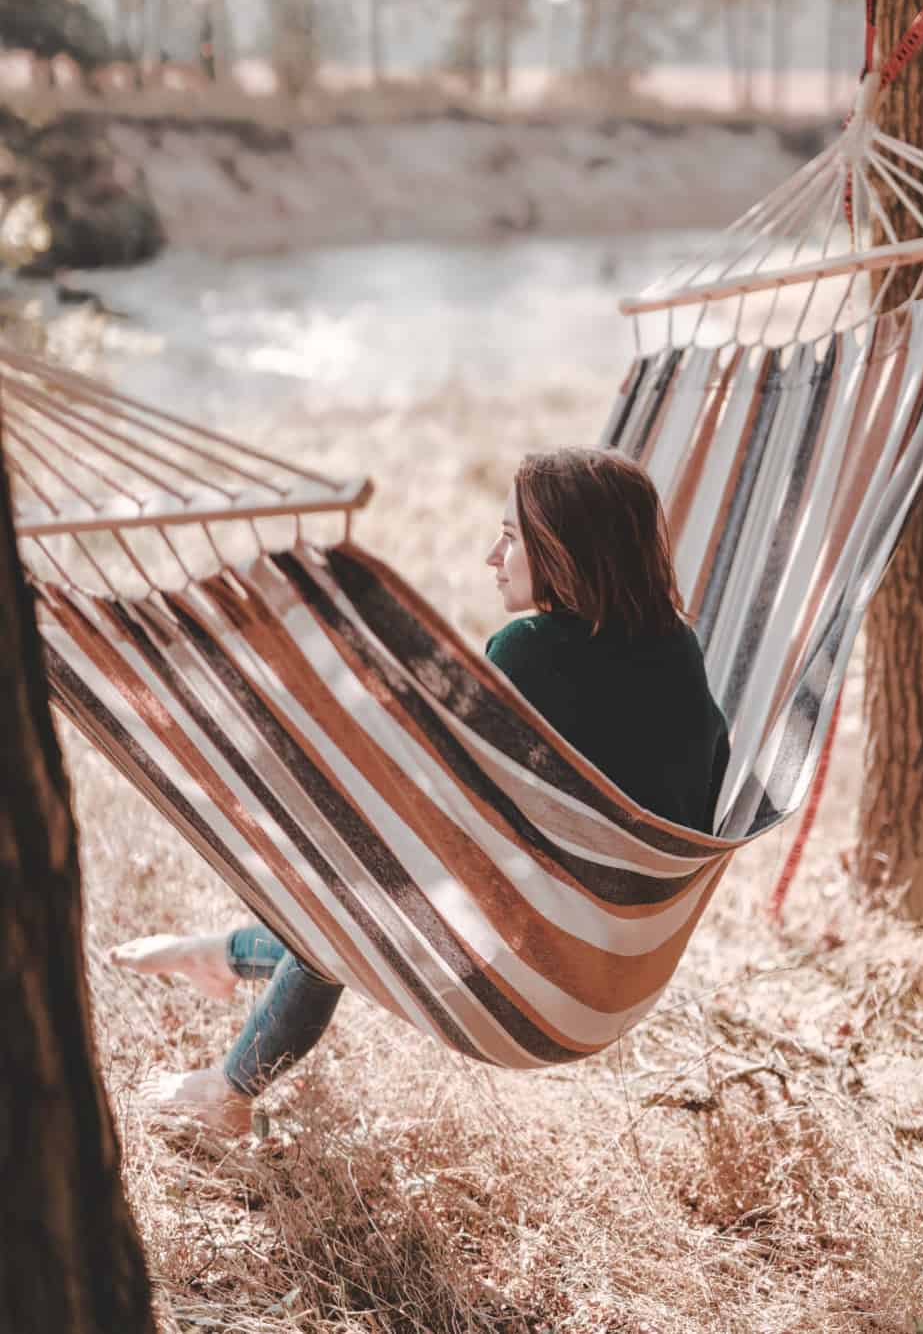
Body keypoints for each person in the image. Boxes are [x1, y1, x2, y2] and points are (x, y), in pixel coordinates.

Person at [112, 447, 730, 1134]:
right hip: (623, 957)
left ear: (566, 550)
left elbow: (445, 803)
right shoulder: (678, 644)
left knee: (353, 898)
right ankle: (221, 956)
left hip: (539, 960)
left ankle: (227, 1087)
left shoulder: (530, 648)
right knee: (351, 899)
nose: (493, 558)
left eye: (512, 538)